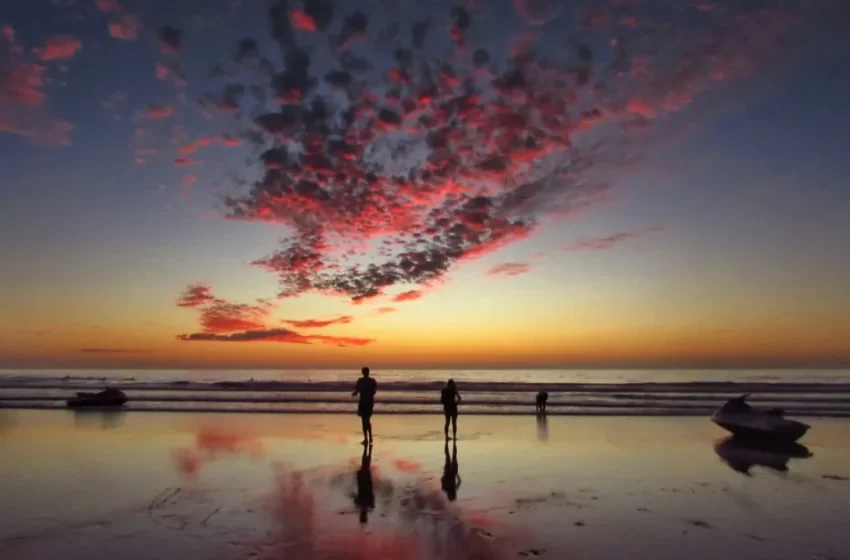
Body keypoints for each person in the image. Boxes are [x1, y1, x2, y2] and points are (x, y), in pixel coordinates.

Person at [352, 366, 377, 444]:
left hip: (363, 402)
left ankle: (366, 438)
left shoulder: (360, 381)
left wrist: (354, 394)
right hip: (370, 402)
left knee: (364, 421)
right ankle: (370, 437)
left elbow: (356, 392)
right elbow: (374, 391)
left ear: (362, 372)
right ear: (368, 372)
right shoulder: (372, 381)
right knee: (368, 420)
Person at [353, 443, 374, 524]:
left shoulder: (363, 505)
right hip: (365, 484)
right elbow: (371, 495)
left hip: (364, 484)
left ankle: (368, 449)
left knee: (365, 465)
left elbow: (356, 497)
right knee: (365, 465)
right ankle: (368, 449)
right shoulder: (367, 506)